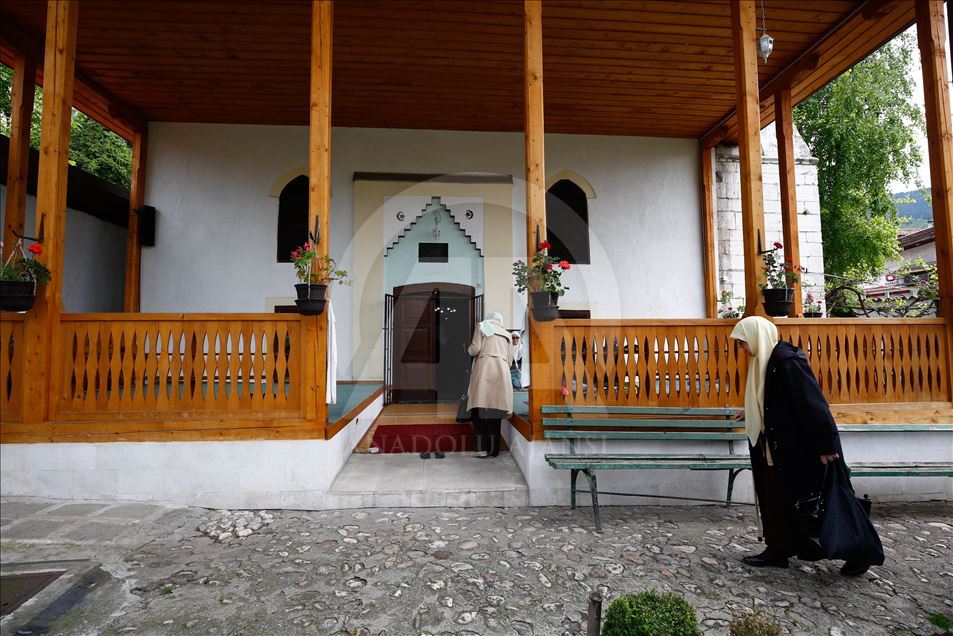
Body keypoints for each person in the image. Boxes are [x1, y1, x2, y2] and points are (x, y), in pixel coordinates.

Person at [730, 315, 875, 577]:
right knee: (775, 500)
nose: (741, 348)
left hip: (802, 450)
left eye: (742, 342)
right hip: (776, 449)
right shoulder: (764, 362)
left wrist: (826, 446)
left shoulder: (787, 363)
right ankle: (778, 550)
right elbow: (772, 399)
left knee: (821, 506)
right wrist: (750, 410)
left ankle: (859, 551)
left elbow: (813, 406)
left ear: (756, 336)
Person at [465, 311, 513, 458]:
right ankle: (494, 450)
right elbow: (510, 360)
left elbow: (475, 349)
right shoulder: (507, 334)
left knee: (479, 408)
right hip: (502, 370)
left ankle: (481, 449)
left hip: (485, 368)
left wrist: (467, 350)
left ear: (489, 319)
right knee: (495, 409)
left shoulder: (482, 326)